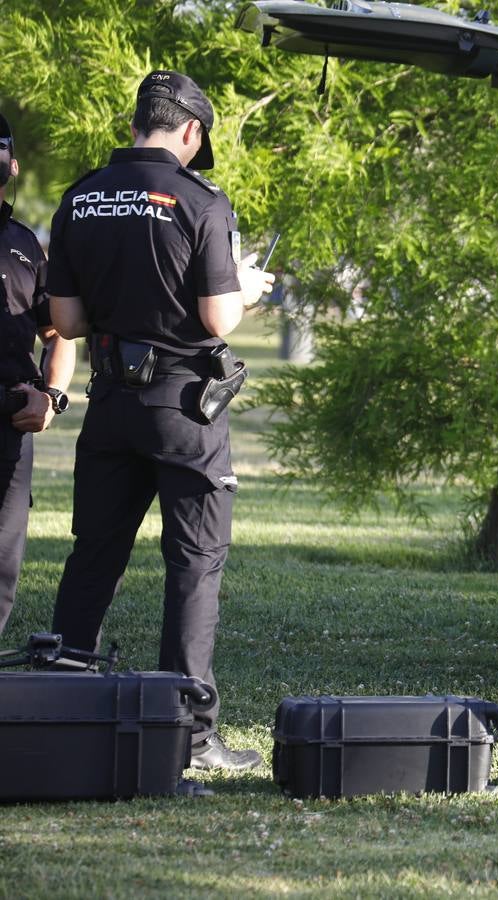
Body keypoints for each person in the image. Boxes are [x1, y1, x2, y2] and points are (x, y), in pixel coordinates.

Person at [45, 71, 274, 771]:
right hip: (183, 411)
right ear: (190, 132)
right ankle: (190, 735)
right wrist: (248, 288)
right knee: (193, 566)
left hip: (110, 405)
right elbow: (215, 318)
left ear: (140, 121)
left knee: (95, 554)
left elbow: (67, 322)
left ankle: (57, 706)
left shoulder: (79, 197)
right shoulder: (201, 201)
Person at [0, 112, 77, 637]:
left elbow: (60, 334)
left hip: (12, 421)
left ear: (12, 164)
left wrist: (50, 396)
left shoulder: (26, 244)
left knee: (3, 559)